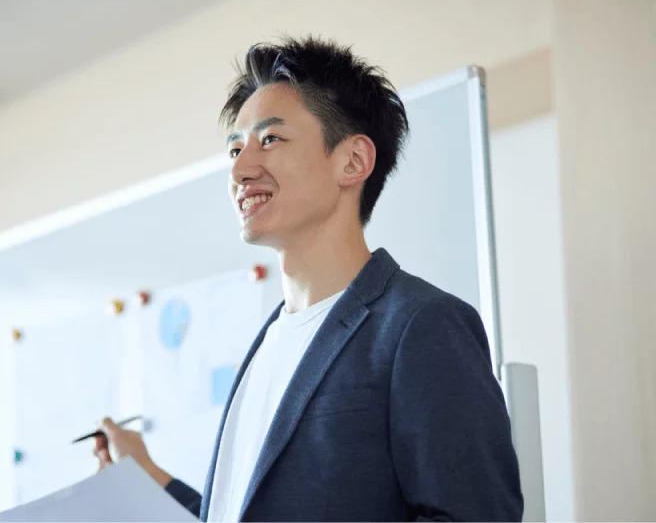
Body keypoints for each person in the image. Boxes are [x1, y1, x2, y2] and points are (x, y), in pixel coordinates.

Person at [94, 36, 523, 522]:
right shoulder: (265, 346)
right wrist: (152, 477)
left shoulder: (421, 325)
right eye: (235, 148)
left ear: (353, 161)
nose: (239, 168)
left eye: (270, 139)